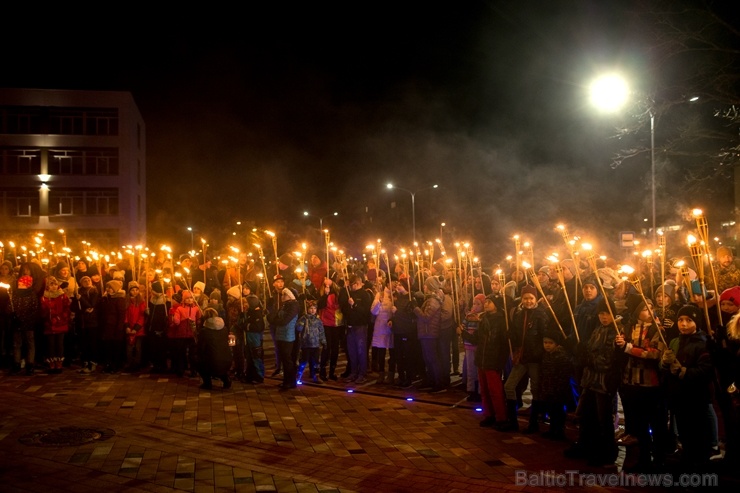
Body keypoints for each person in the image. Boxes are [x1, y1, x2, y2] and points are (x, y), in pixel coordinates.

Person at [565, 297, 624, 467]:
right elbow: (591, 348)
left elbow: (606, 361)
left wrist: (586, 357)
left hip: (604, 383)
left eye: (607, 314)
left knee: (603, 419)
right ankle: (586, 445)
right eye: (601, 314)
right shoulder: (598, 329)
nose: (604, 317)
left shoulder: (616, 332)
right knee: (586, 415)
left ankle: (607, 453)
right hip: (590, 381)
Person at [661, 305, 713, 467]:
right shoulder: (675, 341)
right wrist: (664, 363)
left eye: (688, 320)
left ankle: (698, 471)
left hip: (696, 398)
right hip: (678, 396)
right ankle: (687, 467)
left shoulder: (704, 343)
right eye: (680, 320)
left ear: (696, 322)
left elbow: (705, 371)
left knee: (697, 436)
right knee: (685, 436)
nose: (683, 324)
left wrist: (683, 371)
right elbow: (665, 370)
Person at [619, 299, 668, 472]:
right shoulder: (629, 327)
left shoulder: (657, 329)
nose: (649, 311)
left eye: (651, 308)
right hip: (631, 381)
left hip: (651, 383)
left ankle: (659, 459)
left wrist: (629, 348)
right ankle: (643, 458)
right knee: (638, 424)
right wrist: (619, 344)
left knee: (656, 423)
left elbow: (655, 353)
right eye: (645, 308)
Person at [458, 296, 509, 429]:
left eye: (489, 302)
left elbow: (504, 343)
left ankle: (501, 417)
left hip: (493, 359)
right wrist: (463, 333)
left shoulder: (502, 321)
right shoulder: (483, 320)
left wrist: (501, 360)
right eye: (486, 302)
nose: (486, 304)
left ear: (496, 305)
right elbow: (476, 340)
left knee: (495, 390)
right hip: (482, 358)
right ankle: (489, 415)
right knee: (484, 390)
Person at [503, 284, 548, 433]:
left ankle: (533, 422)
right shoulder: (518, 313)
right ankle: (512, 421)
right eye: (525, 298)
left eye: (531, 298)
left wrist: (540, 353)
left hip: (535, 358)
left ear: (535, 299)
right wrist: (511, 335)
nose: (528, 301)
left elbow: (544, 336)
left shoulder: (541, 314)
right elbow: (517, 334)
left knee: (535, 389)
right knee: (509, 386)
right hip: (522, 357)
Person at [539, 328, 573, 440]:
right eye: (545, 343)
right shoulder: (547, 355)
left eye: (550, 343)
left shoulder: (561, 356)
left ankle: (559, 431)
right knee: (551, 410)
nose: (547, 345)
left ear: (556, 343)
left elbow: (564, 374)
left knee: (558, 411)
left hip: (558, 390)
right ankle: (552, 429)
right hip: (549, 388)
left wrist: (559, 387)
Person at [266, 277, 300, 390]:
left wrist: (272, 320)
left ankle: (290, 382)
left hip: (287, 336)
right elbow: (276, 316)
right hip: (281, 334)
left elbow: (284, 321)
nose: (282, 297)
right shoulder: (286, 306)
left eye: (284, 295)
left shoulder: (293, 306)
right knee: (284, 359)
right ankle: (287, 381)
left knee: (287, 359)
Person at [414, 275, 446, 393]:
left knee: (432, 359)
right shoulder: (429, 299)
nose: (424, 287)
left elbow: (426, 317)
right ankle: (431, 381)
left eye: (425, 285)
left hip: (430, 333)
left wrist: (415, 308)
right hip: (425, 333)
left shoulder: (433, 300)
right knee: (428, 359)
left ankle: (439, 383)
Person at [339, 275, 373, 384]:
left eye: (351, 285)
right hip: (350, 325)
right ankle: (353, 372)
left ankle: (362, 373)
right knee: (352, 351)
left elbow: (366, 311)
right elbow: (344, 308)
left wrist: (355, 305)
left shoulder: (365, 295)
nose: (350, 287)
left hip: (360, 326)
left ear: (357, 284)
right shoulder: (349, 294)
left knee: (361, 351)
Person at [11, 272, 40, 375]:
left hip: (28, 323)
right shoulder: (14, 294)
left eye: (22, 283)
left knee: (30, 344)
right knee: (17, 344)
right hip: (17, 323)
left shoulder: (32, 295)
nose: (20, 284)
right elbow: (11, 307)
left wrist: (27, 319)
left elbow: (34, 309)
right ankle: (16, 364)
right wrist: (13, 315)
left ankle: (30, 364)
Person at [390, 278, 417, 389]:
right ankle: (401, 377)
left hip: (407, 331)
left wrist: (398, 312)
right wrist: (391, 320)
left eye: (400, 284)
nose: (398, 286)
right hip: (397, 331)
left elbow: (411, 317)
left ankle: (409, 377)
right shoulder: (397, 299)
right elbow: (394, 315)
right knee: (399, 355)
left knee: (408, 356)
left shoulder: (411, 300)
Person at [41, 276, 71, 373]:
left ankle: (59, 362)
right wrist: (47, 314)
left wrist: (61, 317)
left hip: (60, 323)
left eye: (55, 284)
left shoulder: (62, 296)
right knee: (51, 344)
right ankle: (51, 362)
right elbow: (42, 310)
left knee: (59, 344)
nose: (53, 286)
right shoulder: (44, 297)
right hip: (49, 324)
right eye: (51, 284)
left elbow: (66, 308)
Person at [197, 307, 231, 390]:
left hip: (211, 360)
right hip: (226, 358)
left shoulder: (204, 331)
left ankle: (207, 382)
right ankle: (225, 380)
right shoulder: (225, 329)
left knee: (200, 362)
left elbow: (201, 348)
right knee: (219, 366)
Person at [169, 290, 200, 378]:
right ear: (184, 299)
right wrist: (176, 320)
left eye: (191, 298)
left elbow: (198, 319)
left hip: (192, 334)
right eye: (187, 298)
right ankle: (181, 370)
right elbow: (177, 320)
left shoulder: (196, 308)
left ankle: (193, 370)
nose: (190, 300)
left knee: (192, 354)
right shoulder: (180, 309)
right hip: (181, 334)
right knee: (181, 353)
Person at [318, 278, 344, 381]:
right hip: (327, 323)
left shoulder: (338, 292)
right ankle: (322, 370)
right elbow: (320, 305)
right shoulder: (323, 293)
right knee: (326, 347)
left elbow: (342, 303)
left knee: (335, 349)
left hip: (337, 324)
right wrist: (325, 294)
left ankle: (332, 371)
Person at [99, 280, 127, 374]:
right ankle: (108, 364)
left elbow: (121, 314)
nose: (108, 289)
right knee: (107, 346)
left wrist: (119, 328)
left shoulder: (119, 299)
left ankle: (115, 365)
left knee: (116, 347)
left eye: (110, 288)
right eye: (107, 287)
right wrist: (103, 300)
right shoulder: (107, 298)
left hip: (115, 327)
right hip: (107, 326)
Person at [296, 301, 326, 384]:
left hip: (316, 344)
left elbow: (321, 332)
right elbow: (298, 328)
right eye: (311, 308)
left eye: (314, 308)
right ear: (307, 309)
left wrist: (323, 341)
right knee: (303, 361)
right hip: (306, 344)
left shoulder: (318, 320)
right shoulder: (303, 318)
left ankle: (316, 376)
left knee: (316, 361)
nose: (313, 310)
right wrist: (301, 323)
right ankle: (298, 376)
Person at [370, 280, 395, 384]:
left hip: (392, 327)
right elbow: (373, 311)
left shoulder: (396, 295)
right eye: (392, 282)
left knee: (393, 352)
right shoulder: (380, 294)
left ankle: (391, 373)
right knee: (381, 351)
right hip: (381, 326)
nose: (394, 285)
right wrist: (379, 302)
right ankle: (381, 373)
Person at [77, 276, 101, 374]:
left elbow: (91, 305)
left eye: (88, 280)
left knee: (92, 343)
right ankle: (85, 362)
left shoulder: (94, 291)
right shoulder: (78, 291)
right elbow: (77, 307)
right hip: (82, 321)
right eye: (84, 280)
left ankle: (93, 362)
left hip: (92, 321)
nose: (87, 281)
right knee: (84, 343)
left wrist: (81, 299)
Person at [124, 281, 147, 372]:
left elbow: (142, 316)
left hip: (138, 329)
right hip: (129, 328)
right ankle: (130, 363)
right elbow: (125, 315)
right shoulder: (127, 302)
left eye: (136, 290)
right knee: (129, 348)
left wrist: (136, 328)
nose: (134, 292)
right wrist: (127, 326)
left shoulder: (141, 302)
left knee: (138, 348)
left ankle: (137, 364)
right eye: (132, 290)